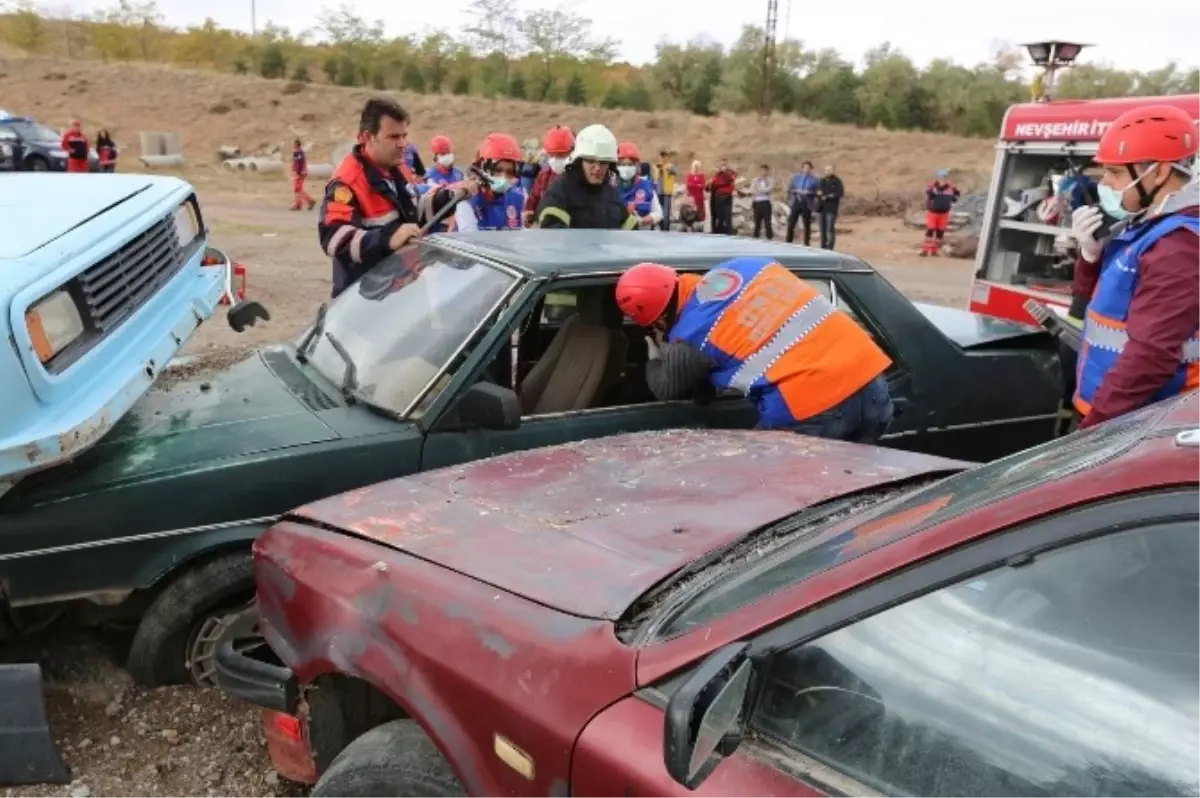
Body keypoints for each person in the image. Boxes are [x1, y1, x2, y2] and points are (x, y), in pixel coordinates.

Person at [614, 258, 894, 441]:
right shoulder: (746, 267)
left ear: (660, 319)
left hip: (811, 408)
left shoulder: (691, 336)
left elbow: (666, 388)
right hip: (870, 381)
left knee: (782, 501)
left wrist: (652, 352)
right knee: (854, 496)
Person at [1069, 103, 1200, 430]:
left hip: (1133, 428)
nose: (1106, 185)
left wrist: (1089, 435)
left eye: (1114, 173)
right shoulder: (1148, 226)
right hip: (1113, 416)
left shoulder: (1178, 246)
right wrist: (1090, 258)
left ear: (1159, 172)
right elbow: (1097, 306)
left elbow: (1151, 357)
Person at [319, 98, 470, 298]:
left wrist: (453, 195)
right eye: (393, 137)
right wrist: (387, 238)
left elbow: (415, 211)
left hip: (401, 291)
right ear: (367, 137)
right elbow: (334, 238)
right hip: (364, 299)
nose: (403, 144)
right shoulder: (348, 181)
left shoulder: (396, 169)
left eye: (404, 136)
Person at [534, 123, 639, 230]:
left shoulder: (611, 194)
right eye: (591, 161)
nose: (597, 168)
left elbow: (630, 232)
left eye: (603, 162)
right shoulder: (559, 193)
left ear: (610, 164)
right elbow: (553, 234)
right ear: (579, 161)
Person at [453, 133, 527, 232]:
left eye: (509, 172)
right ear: (483, 168)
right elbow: (470, 242)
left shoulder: (519, 198)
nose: (503, 177)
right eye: (497, 170)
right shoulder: (467, 202)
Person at [525, 125, 573, 226]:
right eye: (552, 155)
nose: (555, 159)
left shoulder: (577, 176)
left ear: (571, 152)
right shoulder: (544, 176)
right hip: (546, 228)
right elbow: (534, 197)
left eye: (560, 155)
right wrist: (528, 213)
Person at [616, 142, 662, 229]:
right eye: (623, 165)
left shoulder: (646, 186)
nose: (626, 168)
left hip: (642, 236)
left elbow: (658, 213)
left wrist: (641, 221)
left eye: (630, 165)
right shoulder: (610, 188)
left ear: (636, 165)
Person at [920, 169, 960, 256]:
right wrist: (935, 191)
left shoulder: (951, 188)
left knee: (940, 233)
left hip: (944, 214)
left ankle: (934, 251)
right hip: (933, 213)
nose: (943, 179)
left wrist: (953, 198)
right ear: (937, 178)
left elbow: (956, 195)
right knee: (930, 231)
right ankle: (925, 250)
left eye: (945, 177)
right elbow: (928, 193)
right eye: (941, 177)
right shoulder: (932, 186)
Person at [785, 160, 819, 245]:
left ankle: (807, 243)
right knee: (791, 222)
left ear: (811, 169)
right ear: (802, 168)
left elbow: (817, 192)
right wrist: (795, 191)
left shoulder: (815, 180)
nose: (806, 169)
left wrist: (809, 192)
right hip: (797, 201)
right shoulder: (796, 178)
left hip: (807, 202)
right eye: (804, 167)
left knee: (806, 224)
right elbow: (790, 189)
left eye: (808, 168)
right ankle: (788, 242)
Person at [817, 165, 844, 249]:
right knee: (822, 229)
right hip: (821, 208)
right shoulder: (822, 180)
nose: (827, 172)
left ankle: (830, 248)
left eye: (829, 170)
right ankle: (823, 247)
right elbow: (818, 191)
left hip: (831, 208)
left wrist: (828, 196)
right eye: (826, 170)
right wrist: (818, 193)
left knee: (830, 229)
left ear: (832, 171)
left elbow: (840, 194)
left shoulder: (837, 181)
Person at [707, 159, 737, 235]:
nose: (722, 166)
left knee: (727, 216)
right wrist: (709, 184)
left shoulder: (730, 173)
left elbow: (732, 179)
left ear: (727, 165)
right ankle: (719, 231)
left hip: (726, 197)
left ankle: (729, 232)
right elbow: (713, 185)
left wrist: (725, 172)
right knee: (719, 216)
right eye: (721, 165)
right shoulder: (717, 174)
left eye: (724, 165)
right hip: (718, 198)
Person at [654, 150, 679, 230]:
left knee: (666, 213)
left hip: (667, 192)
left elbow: (676, 172)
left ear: (667, 157)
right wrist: (658, 169)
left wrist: (667, 169)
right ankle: (661, 228)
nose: (663, 158)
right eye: (662, 156)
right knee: (660, 212)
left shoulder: (671, 166)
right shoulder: (658, 166)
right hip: (659, 192)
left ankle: (666, 229)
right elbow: (655, 178)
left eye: (665, 156)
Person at [290, 138, 316, 211]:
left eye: (293, 143)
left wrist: (297, 173)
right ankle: (299, 204)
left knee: (298, 189)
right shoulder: (300, 152)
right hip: (302, 172)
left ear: (295, 144)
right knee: (298, 189)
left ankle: (309, 201)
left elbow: (298, 163)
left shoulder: (297, 152)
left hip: (299, 173)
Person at [751, 163, 775, 239]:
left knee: (767, 223)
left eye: (765, 170)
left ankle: (769, 238)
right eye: (762, 170)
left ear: (767, 171)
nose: (763, 172)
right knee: (757, 222)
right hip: (757, 203)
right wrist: (761, 191)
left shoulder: (771, 180)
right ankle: (755, 238)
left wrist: (759, 190)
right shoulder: (755, 180)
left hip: (766, 203)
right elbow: (752, 190)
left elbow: (769, 189)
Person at [685, 160, 707, 227]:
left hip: (699, 197)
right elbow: (688, 185)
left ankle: (700, 226)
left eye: (697, 166)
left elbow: (703, 185)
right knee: (691, 212)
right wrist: (697, 185)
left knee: (700, 212)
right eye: (695, 166)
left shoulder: (702, 175)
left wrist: (694, 185)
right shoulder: (689, 175)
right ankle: (691, 225)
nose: (696, 168)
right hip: (692, 197)